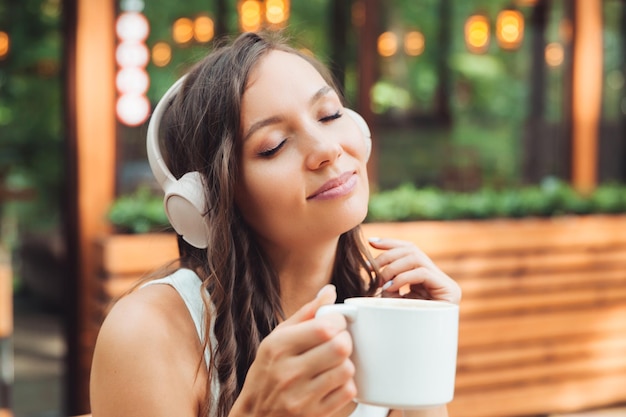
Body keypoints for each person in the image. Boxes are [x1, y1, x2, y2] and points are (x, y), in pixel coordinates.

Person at [90, 31, 461, 417]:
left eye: (330, 115)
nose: (326, 149)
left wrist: (423, 347)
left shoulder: (380, 307)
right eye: (274, 145)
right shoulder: (148, 333)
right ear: (206, 201)